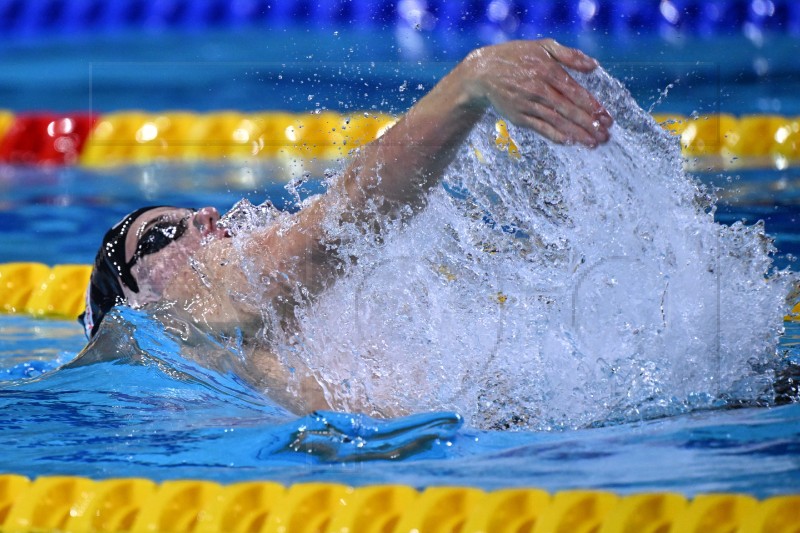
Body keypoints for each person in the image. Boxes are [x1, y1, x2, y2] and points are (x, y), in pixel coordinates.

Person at [80, 39, 613, 413]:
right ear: (136, 295)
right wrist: (467, 86)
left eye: (186, 213)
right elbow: (345, 218)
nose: (202, 216)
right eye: (160, 235)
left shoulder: (220, 333)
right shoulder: (201, 305)